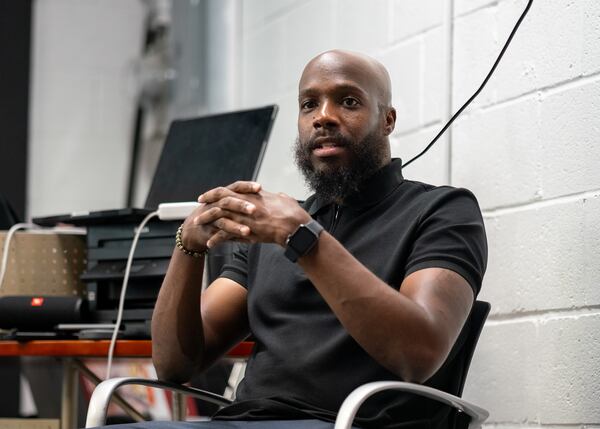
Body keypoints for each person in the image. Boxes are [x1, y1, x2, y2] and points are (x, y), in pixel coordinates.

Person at [149, 50, 487, 429]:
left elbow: (418, 354)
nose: (323, 116)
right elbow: (175, 365)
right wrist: (188, 245)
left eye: (348, 101)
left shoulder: (442, 210)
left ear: (387, 120)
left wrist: (303, 238)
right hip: (247, 421)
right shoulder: (270, 227)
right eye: (309, 104)